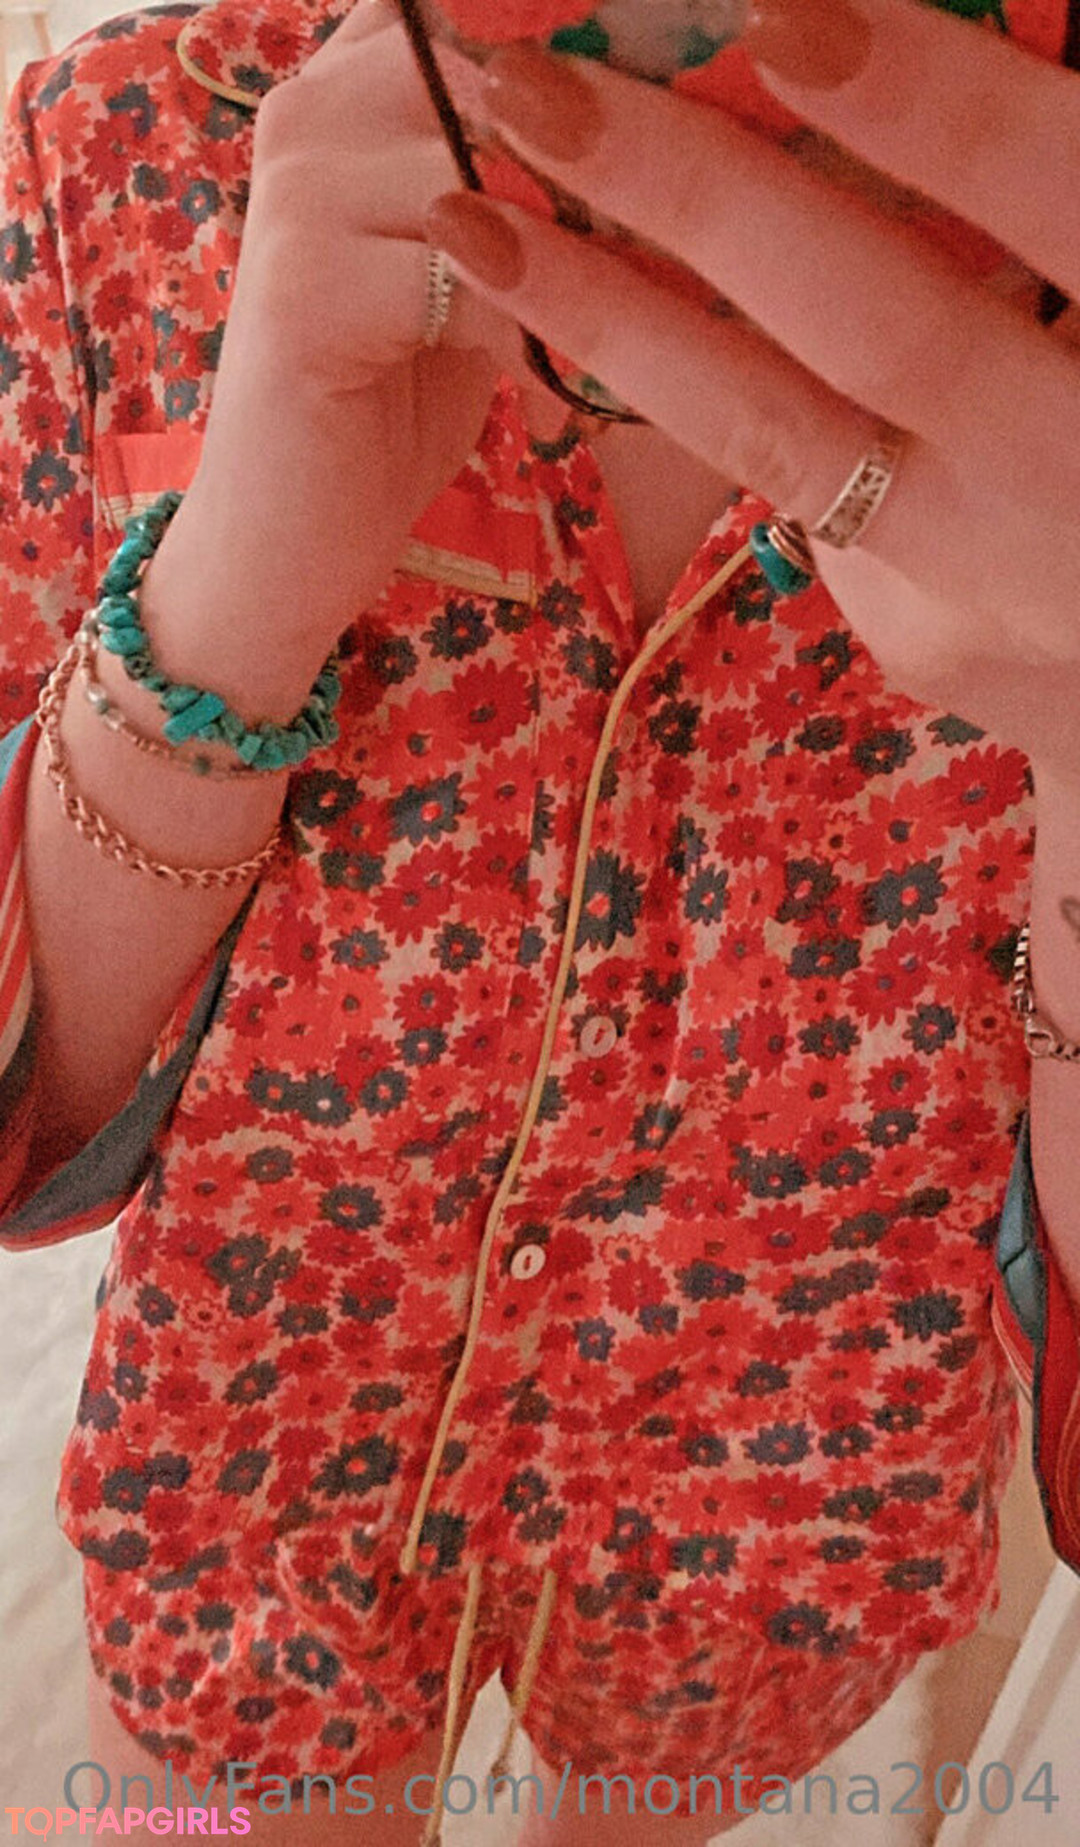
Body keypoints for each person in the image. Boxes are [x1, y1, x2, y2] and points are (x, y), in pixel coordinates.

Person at [1, 0, 1079, 1841]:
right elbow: (31, 1111)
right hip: (250, 1513)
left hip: (777, 1537)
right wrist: (224, 611)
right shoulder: (125, 154)